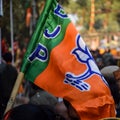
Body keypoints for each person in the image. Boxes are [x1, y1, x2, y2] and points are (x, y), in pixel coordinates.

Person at [0, 52, 18, 119]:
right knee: (9, 113)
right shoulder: (14, 70)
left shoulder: (1, 68)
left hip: (1, 97)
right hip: (11, 96)